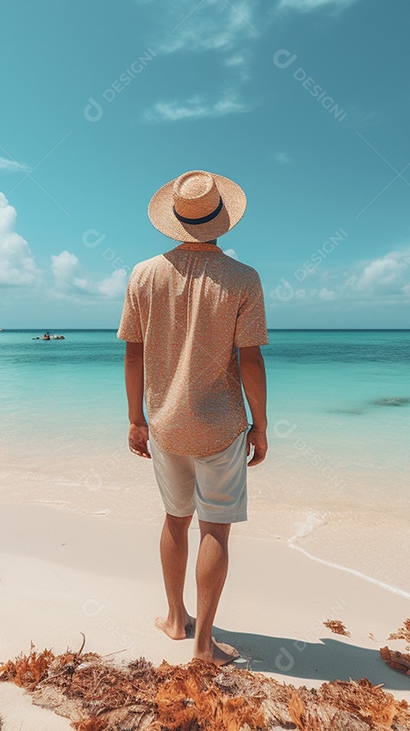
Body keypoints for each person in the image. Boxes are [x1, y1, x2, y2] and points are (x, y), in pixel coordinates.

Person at [118, 170, 268, 666]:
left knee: (174, 520)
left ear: (175, 219)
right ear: (221, 220)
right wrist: (261, 426)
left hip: (164, 423)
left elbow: (133, 354)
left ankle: (174, 619)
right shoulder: (244, 278)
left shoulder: (144, 274)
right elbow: (250, 360)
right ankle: (205, 645)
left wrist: (136, 419)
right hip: (220, 425)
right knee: (215, 530)